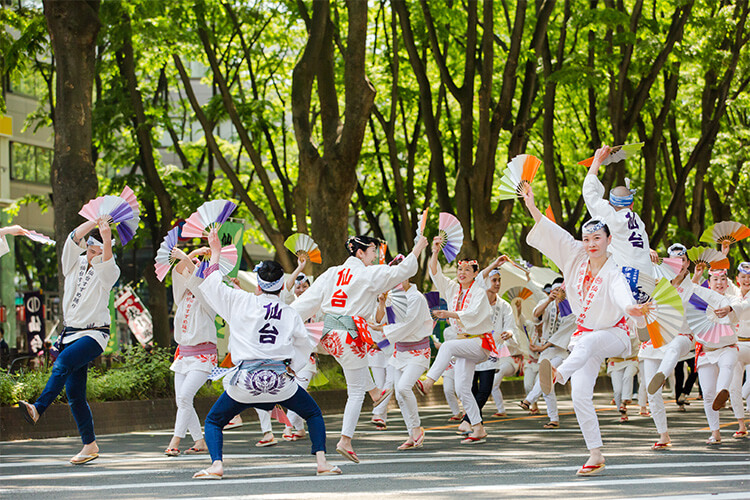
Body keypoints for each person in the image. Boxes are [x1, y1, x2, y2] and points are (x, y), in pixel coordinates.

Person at [192, 228, 339, 479]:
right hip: (280, 381)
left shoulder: (240, 301)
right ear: (282, 285)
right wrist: (291, 367)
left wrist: (216, 252)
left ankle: (217, 465)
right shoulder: (289, 311)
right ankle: (322, 463)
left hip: (245, 382)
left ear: (258, 284)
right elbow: (304, 345)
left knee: (214, 420)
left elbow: (213, 284)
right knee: (313, 414)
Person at [522, 185, 647, 476]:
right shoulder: (575, 256)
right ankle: (596, 454)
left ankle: (557, 374)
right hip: (583, 338)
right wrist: (531, 205)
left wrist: (632, 310)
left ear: (609, 240)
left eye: (597, 239)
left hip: (614, 335)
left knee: (587, 345)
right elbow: (552, 231)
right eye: (587, 238)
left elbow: (621, 295)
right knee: (579, 396)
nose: (591, 244)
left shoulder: (615, 271)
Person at [292, 234, 429, 463]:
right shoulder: (367, 274)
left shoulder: (332, 273)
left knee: (354, 361)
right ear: (360, 252)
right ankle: (345, 440)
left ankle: (375, 391)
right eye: (373, 251)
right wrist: (418, 248)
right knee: (355, 391)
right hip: (348, 337)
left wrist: (282, 320)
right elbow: (400, 272)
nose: (375, 255)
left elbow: (305, 303)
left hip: (326, 335)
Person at [18, 217, 120, 465]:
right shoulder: (72, 264)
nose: (96, 253)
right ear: (87, 247)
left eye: (101, 250)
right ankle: (90, 444)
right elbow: (74, 236)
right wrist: (94, 220)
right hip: (70, 333)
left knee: (62, 363)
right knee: (75, 394)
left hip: (94, 334)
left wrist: (107, 238)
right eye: (93, 248)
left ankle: (38, 408)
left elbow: (108, 264)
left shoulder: (109, 271)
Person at [415, 239, 495, 444]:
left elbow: (474, 314)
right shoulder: (452, 288)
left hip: (478, 343)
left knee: (448, 346)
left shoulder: (479, 292)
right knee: (462, 389)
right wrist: (434, 252)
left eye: (467, 270)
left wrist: (448, 313)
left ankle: (428, 381)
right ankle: (478, 428)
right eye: (460, 269)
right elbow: (435, 273)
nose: (462, 273)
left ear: (476, 274)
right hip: (464, 345)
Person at [372, 255, 432, 450]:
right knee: (399, 394)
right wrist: (381, 302)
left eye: (401, 276)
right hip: (400, 352)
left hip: (418, 351)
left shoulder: (417, 298)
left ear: (408, 275)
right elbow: (380, 319)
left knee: (404, 388)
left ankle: (416, 430)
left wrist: (382, 331)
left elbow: (406, 326)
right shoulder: (392, 298)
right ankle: (413, 432)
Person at [163, 246, 219, 457]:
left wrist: (188, 257)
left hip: (203, 356)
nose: (193, 268)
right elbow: (180, 271)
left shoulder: (210, 298)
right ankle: (199, 441)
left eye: (197, 267)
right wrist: (193, 254)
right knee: (183, 400)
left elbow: (196, 279)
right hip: (183, 355)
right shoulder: (183, 296)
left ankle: (175, 440)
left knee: (185, 397)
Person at [690, 267, 746, 445]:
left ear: (727, 282)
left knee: (728, 365)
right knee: (707, 394)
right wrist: (696, 276)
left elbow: (741, 305)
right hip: (706, 351)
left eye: (723, 279)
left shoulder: (732, 299)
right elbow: (687, 291)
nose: (720, 283)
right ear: (709, 282)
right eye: (715, 279)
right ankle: (715, 432)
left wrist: (729, 308)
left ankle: (723, 391)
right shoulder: (700, 298)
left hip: (727, 347)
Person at [457, 266, 515, 432]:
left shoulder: (504, 306)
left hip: (491, 350)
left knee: (484, 390)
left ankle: (467, 420)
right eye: (494, 280)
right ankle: (477, 425)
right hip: (473, 347)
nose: (497, 283)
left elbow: (510, 325)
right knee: (471, 389)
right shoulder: (475, 301)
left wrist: (509, 333)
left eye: (499, 280)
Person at [582, 146, 652, 275]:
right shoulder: (638, 221)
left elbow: (589, 193)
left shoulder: (611, 217)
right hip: (648, 278)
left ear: (609, 203)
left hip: (626, 278)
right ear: (632, 204)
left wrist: (597, 161)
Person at [520, 281, 575, 428]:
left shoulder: (571, 310)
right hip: (545, 351)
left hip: (561, 351)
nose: (557, 293)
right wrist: (549, 300)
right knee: (546, 386)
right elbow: (536, 316)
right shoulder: (546, 302)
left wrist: (543, 346)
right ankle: (554, 419)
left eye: (560, 291)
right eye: (555, 290)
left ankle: (528, 400)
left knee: (546, 376)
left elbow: (562, 334)